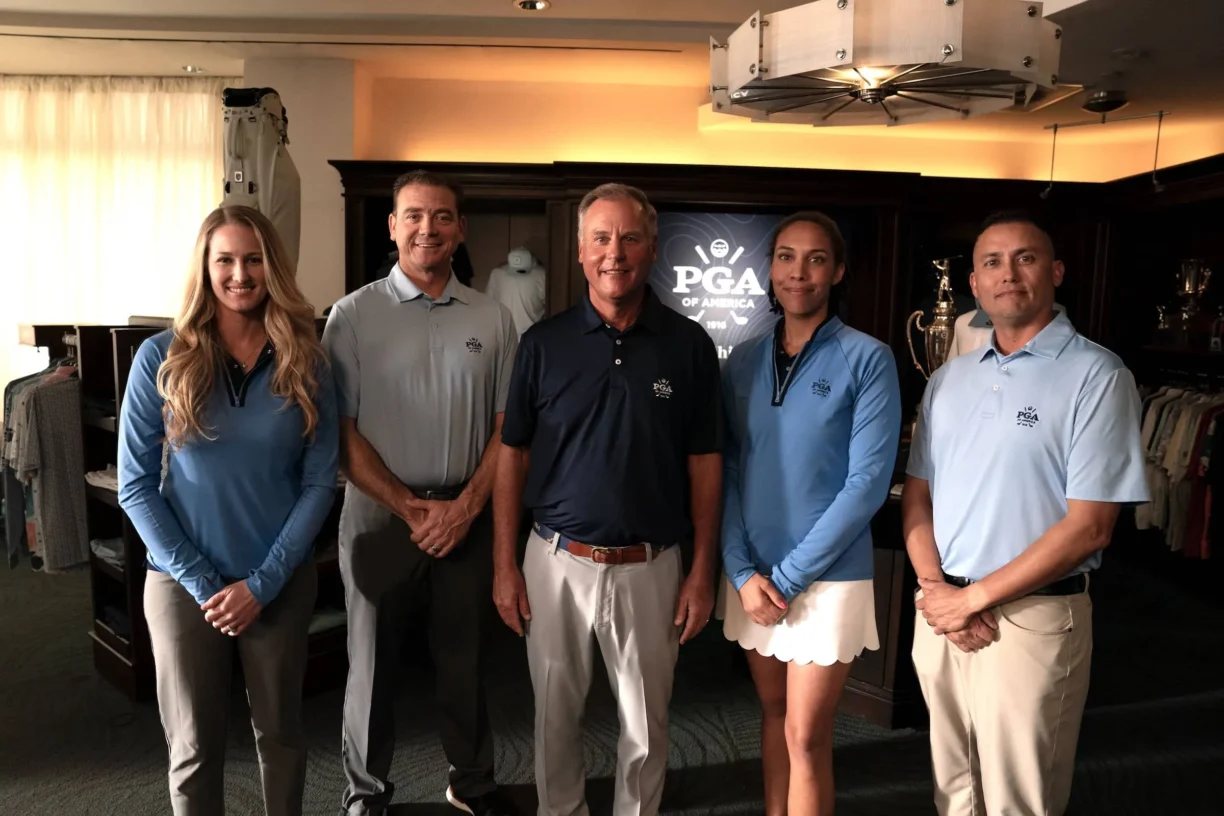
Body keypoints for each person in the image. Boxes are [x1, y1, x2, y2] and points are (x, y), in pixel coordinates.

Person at [902, 211, 1149, 816]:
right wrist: (940, 594)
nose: (1007, 273)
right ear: (976, 287)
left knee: (1019, 798)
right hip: (940, 614)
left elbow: (1091, 525)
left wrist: (973, 599)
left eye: (1026, 258)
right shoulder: (949, 380)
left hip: (1032, 618)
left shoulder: (1098, 374)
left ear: (1056, 272)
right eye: (991, 262)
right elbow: (918, 497)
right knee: (954, 788)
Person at [493, 182, 722, 816]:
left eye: (628, 238)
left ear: (653, 248)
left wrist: (703, 570)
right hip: (555, 561)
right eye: (600, 238)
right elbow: (512, 454)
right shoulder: (543, 343)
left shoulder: (689, 345)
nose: (613, 252)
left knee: (646, 726)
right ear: (580, 250)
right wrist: (505, 564)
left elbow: (705, 463)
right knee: (552, 717)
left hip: (653, 563)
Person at [118, 205, 338, 816]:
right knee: (192, 747)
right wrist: (204, 583)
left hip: (278, 580)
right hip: (184, 585)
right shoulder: (159, 358)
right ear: (205, 267)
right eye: (225, 260)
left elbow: (320, 483)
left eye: (253, 259)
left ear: (273, 267)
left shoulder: (308, 359)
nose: (239, 273)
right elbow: (135, 486)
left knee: (283, 737)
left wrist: (262, 585)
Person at [322, 170, 519, 816]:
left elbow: (507, 431)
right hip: (379, 517)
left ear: (460, 229)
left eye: (440, 217)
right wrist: (411, 509)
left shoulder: (493, 316)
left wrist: (462, 510)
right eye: (413, 216)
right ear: (392, 226)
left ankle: (472, 780)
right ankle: (367, 792)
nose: (426, 229)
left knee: (463, 659)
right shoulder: (352, 316)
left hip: (467, 513)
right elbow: (341, 435)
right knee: (371, 662)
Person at [719, 212, 901, 816]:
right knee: (773, 717)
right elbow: (729, 471)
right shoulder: (741, 361)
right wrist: (742, 571)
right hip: (752, 578)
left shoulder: (867, 358)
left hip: (826, 579)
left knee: (807, 735)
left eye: (817, 258)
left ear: (838, 270)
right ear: (770, 269)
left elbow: (867, 484)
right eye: (787, 257)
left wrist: (787, 578)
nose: (800, 271)